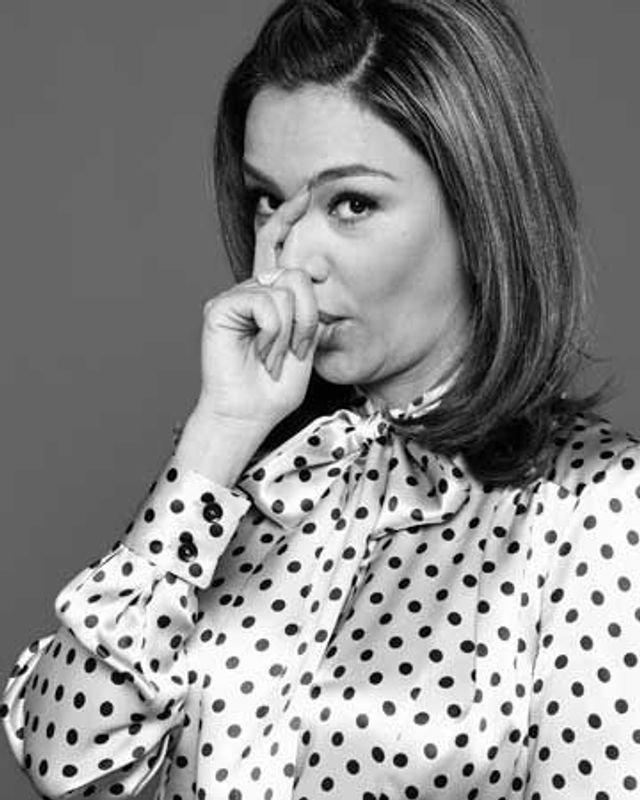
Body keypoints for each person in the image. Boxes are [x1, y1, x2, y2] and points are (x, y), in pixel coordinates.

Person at [2, 0, 639, 797]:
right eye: (270, 200)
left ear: (481, 209)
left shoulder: (599, 506)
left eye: (352, 204)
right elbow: (67, 761)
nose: (292, 256)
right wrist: (220, 435)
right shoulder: (250, 485)